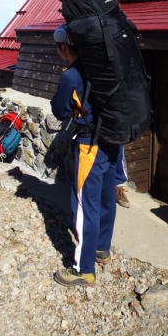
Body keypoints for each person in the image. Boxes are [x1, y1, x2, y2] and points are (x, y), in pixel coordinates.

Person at [51, 25, 123, 287]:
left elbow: (60, 110)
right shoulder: (105, 65)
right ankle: (102, 248)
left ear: (64, 47)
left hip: (90, 144)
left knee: (84, 206)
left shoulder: (72, 75)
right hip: (113, 139)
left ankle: (84, 269)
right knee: (106, 195)